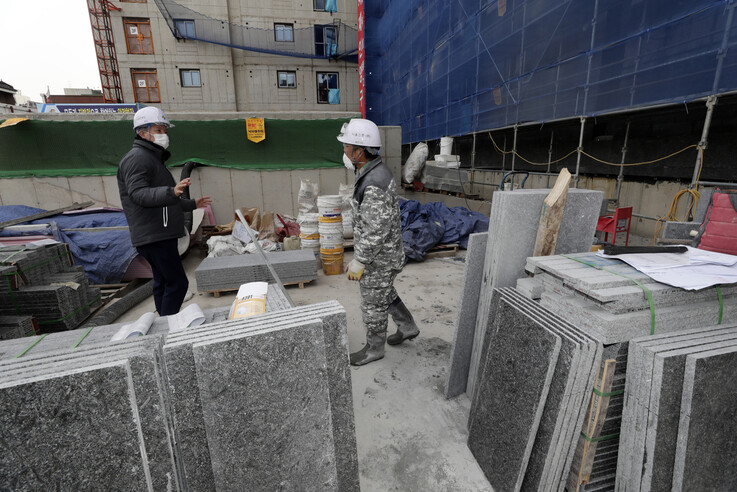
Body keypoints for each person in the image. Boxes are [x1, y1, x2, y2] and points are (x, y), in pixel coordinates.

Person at [339, 118, 420, 366]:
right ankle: (407, 326)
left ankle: (375, 349)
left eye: (347, 146)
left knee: (373, 302)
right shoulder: (371, 172)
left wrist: (360, 260)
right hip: (386, 253)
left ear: (359, 151)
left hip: (379, 257)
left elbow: (376, 230)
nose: (344, 151)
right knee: (385, 292)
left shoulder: (374, 181)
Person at [117, 106, 212, 316]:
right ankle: (169, 326)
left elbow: (165, 200)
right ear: (142, 132)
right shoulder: (138, 158)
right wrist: (171, 191)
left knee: (162, 281)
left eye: (164, 130)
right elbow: (139, 194)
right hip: (155, 235)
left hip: (157, 233)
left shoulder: (151, 158)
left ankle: (162, 324)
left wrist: (191, 204)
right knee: (178, 283)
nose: (164, 135)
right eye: (159, 130)